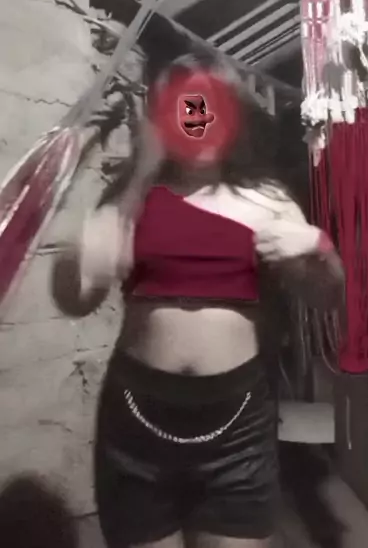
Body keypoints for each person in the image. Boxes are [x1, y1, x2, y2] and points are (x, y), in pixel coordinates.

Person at [73, 51, 344, 548]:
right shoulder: (131, 197)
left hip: (237, 429)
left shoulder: (267, 200)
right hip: (136, 425)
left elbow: (328, 298)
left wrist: (318, 247)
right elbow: (79, 297)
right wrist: (132, 183)